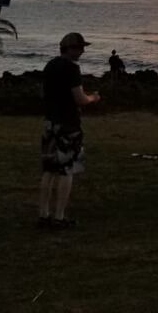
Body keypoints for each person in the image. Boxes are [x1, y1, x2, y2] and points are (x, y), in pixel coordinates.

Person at [38, 32, 99, 230]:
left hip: (50, 123)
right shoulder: (72, 68)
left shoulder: (50, 66)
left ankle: (43, 214)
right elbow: (79, 98)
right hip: (68, 125)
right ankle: (59, 217)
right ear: (70, 49)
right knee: (66, 170)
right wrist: (93, 98)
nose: (82, 52)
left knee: (49, 170)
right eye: (80, 48)